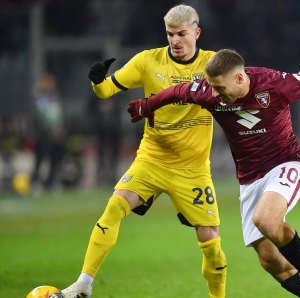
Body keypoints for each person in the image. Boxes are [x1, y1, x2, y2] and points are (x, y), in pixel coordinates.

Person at [127, 49, 300, 298]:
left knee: (266, 220)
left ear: (239, 79)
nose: (214, 94)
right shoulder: (207, 91)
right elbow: (177, 92)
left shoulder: (274, 83)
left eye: (220, 88)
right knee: (269, 260)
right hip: (249, 179)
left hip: (285, 164)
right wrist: (146, 106)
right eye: (212, 87)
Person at [61, 5, 227, 298]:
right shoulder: (148, 60)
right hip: (152, 159)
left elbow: (237, 90)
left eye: (182, 34)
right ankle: (83, 285)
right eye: (170, 34)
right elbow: (107, 90)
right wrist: (98, 81)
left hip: (193, 169)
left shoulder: (212, 63)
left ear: (196, 33)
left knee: (211, 243)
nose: (175, 41)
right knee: (114, 207)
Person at [30, 74, 64, 193]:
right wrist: (49, 131)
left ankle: (51, 182)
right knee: (40, 159)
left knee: (54, 159)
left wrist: (59, 130)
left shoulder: (55, 98)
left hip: (55, 136)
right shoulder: (40, 99)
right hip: (42, 136)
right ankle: (35, 182)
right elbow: (38, 119)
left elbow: (59, 116)